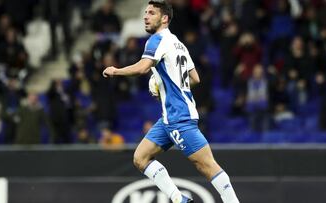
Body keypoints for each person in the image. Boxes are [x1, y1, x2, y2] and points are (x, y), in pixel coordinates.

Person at [102, 1, 240, 202]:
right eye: (146, 13)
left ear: (164, 18)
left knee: (207, 165)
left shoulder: (157, 40)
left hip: (179, 117)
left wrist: (116, 71)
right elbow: (195, 78)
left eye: (151, 13)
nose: (146, 16)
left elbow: (142, 68)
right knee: (140, 158)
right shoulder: (179, 44)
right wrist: (169, 86)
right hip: (168, 118)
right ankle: (179, 199)